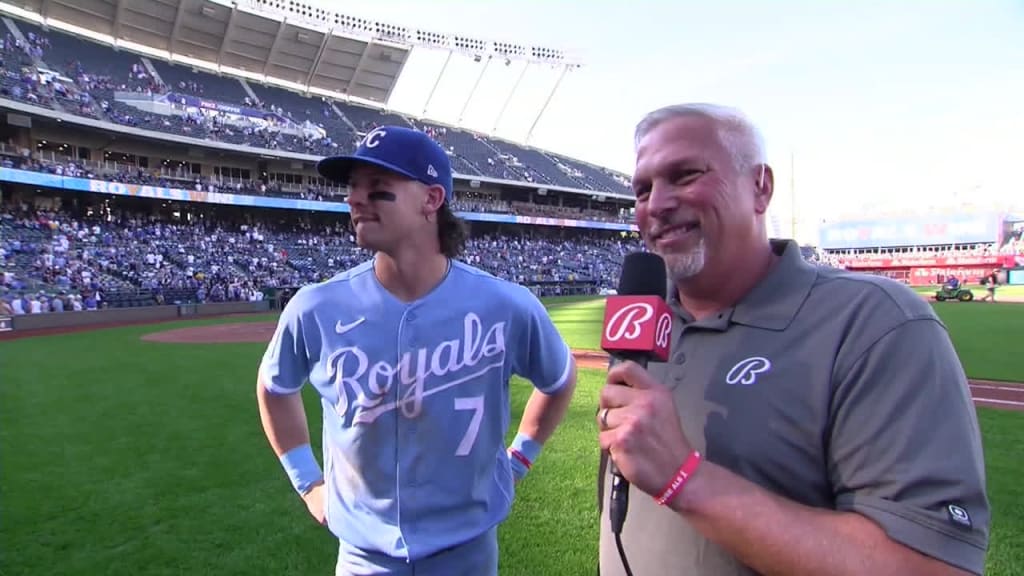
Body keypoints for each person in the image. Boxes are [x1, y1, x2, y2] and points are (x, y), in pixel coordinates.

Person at [595, 104, 990, 576]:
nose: (655, 204)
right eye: (642, 189)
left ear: (760, 187)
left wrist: (688, 480)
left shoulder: (877, 323)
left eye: (684, 175)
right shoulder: (645, 321)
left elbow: (934, 567)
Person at [256, 125, 578, 575]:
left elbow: (560, 379)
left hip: (467, 552)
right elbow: (274, 387)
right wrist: (308, 482)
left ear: (431, 200)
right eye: (352, 187)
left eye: (378, 187)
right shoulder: (315, 306)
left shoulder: (506, 305)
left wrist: (520, 456)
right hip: (362, 557)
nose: (355, 199)